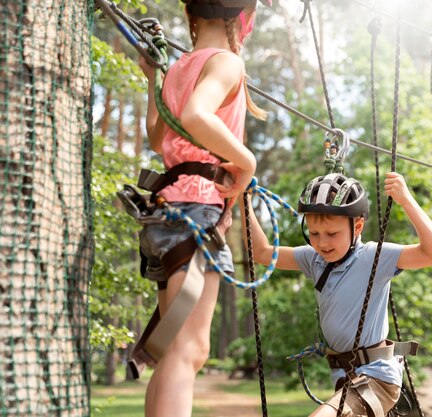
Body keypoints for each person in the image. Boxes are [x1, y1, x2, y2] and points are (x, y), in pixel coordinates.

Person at [136, 1, 269, 416]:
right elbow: (195, 116)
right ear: (242, 20)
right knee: (188, 350)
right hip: (196, 210)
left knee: (174, 346)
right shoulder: (227, 63)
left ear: (193, 16)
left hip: (168, 210)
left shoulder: (180, 67)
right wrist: (246, 162)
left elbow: (160, 141)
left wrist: (153, 79)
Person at [240, 171, 432, 416]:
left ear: (357, 226)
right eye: (314, 234)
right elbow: (263, 253)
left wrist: (405, 200)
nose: (322, 243)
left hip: (378, 378)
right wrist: (243, 202)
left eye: (332, 234)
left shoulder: (375, 256)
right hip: (345, 378)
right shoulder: (314, 260)